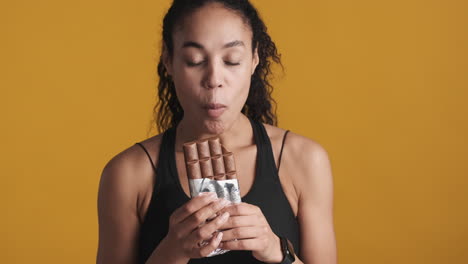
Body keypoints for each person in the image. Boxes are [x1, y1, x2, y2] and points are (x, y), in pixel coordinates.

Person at [96, 0, 337, 263]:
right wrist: (172, 251)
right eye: (194, 60)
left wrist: (276, 249)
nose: (214, 80)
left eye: (232, 61)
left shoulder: (303, 159)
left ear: (255, 59)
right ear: (168, 60)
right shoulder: (128, 173)